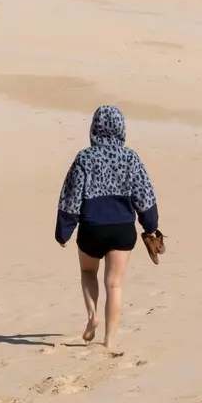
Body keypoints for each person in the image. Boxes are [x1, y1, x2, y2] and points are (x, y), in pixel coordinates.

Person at [55, 106, 163, 355]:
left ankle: (92, 315)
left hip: (92, 227)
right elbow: (145, 195)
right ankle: (110, 341)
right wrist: (151, 225)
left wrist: (64, 231)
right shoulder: (130, 158)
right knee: (114, 284)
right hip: (122, 228)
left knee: (87, 271)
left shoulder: (84, 158)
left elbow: (70, 197)